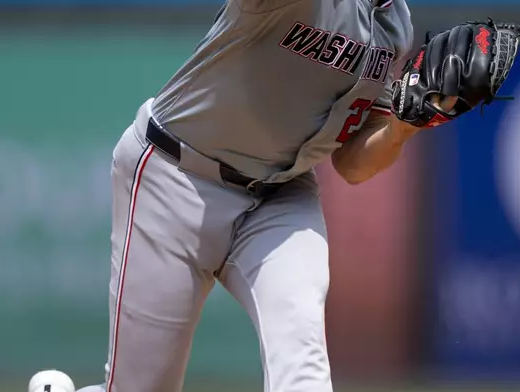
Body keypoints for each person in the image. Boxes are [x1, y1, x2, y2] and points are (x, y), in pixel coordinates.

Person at [71, 0, 452, 391]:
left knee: (301, 359)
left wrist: (403, 129)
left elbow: (352, 166)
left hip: (281, 196)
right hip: (176, 177)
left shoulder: (395, 25)